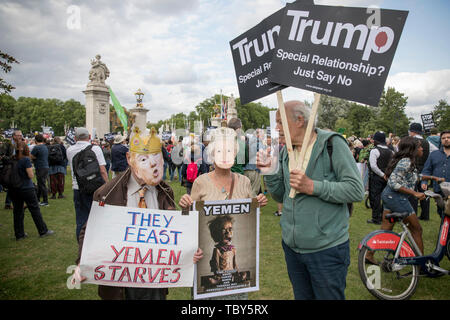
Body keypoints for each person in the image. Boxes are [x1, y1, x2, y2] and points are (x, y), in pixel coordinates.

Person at [74, 126, 201, 300]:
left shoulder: (164, 191)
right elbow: (89, 231)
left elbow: (172, 233)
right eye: (144, 158)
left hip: (156, 280)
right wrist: (82, 261)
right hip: (121, 283)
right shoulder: (107, 193)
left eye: (157, 157)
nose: (152, 164)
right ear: (129, 158)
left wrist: (189, 247)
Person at [257, 100, 364, 300]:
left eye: (280, 122)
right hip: (292, 248)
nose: (276, 128)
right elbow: (281, 196)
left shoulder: (332, 143)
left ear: (299, 120)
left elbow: (356, 190)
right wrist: (269, 171)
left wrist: (313, 186)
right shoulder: (287, 152)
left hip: (326, 249)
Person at [179, 127, 268, 300]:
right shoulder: (200, 182)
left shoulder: (244, 182)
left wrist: (259, 204)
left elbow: (249, 214)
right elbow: (189, 220)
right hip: (205, 265)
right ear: (212, 154)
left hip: (236, 282)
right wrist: (185, 206)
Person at [365, 136, 443, 264]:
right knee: (416, 229)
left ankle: (368, 254)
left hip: (389, 197)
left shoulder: (406, 161)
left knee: (386, 228)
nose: (422, 148)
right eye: (419, 146)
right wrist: (415, 193)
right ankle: (421, 263)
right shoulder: (406, 161)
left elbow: (414, 176)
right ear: (413, 149)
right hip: (396, 198)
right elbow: (393, 182)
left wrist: (433, 178)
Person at [67, 127, 108, 241]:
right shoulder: (96, 149)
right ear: (89, 137)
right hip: (95, 187)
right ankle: (96, 240)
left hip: (77, 186)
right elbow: (103, 170)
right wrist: (107, 185)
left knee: (81, 217)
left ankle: (81, 242)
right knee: (97, 216)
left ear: (75, 138)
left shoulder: (69, 150)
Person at [9, 141, 54, 240]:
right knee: (34, 209)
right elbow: (30, 175)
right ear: (26, 149)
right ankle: (43, 230)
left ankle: (19, 234)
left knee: (17, 211)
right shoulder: (25, 160)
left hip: (14, 188)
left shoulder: (12, 159)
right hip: (26, 187)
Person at [408, 123, 436, 221]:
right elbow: (435, 151)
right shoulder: (427, 142)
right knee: (424, 191)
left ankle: (413, 214)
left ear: (412, 131)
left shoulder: (411, 141)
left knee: (413, 192)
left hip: (412, 168)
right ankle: (425, 215)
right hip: (424, 169)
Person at [421, 130, 450, 218]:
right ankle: (444, 230)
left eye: (448, 137)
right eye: (443, 138)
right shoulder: (434, 154)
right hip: (439, 189)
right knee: (441, 212)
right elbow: (426, 169)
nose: (446, 140)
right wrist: (424, 182)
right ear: (440, 140)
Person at [367, 131, 394, 225]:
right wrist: (387, 174)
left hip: (377, 177)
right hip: (387, 177)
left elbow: (373, 166)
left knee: (375, 197)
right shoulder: (391, 151)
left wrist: (382, 174)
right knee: (384, 197)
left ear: (376, 140)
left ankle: (376, 218)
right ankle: (383, 216)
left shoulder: (374, 151)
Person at [30, 134, 50, 206]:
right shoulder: (45, 147)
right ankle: (37, 199)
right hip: (45, 166)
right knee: (40, 183)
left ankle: (45, 201)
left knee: (42, 184)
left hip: (40, 167)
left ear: (35, 140)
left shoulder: (37, 147)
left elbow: (31, 156)